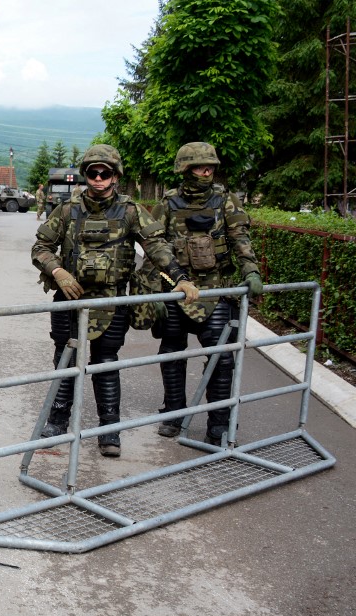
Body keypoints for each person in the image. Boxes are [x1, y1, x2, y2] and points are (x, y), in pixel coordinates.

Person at [31, 145, 199, 457]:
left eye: (104, 173)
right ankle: (57, 421)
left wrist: (180, 277)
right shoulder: (67, 210)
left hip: (111, 301)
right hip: (70, 299)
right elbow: (40, 247)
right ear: (86, 175)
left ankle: (109, 430)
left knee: (106, 363)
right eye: (92, 172)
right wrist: (58, 271)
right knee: (65, 360)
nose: (98, 178)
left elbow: (157, 246)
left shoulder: (130, 211)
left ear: (115, 176)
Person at [147, 142, 262, 445]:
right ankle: (174, 414)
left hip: (216, 291)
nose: (206, 172)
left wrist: (251, 270)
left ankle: (219, 424)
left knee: (221, 359)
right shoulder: (168, 203)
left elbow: (240, 238)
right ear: (185, 169)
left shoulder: (226, 200)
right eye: (199, 167)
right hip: (175, 291)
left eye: (210, 166)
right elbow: (153, 247)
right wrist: (152, 294)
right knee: (172, 355)